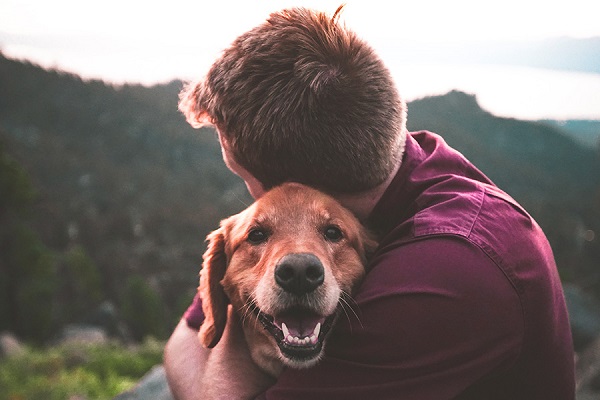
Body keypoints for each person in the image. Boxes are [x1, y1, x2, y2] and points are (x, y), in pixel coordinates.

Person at [164, 6, 575, 399]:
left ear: (297, 187)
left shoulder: (449, 272)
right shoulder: (395, 163)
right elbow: (184, 339)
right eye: (261, 226)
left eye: (244, 178)